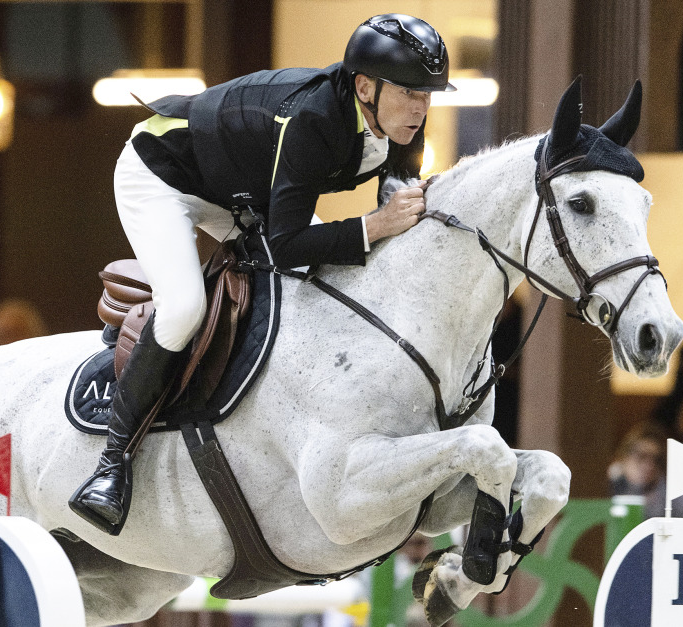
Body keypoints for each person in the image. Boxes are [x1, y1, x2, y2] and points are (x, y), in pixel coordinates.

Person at [70, 14, 456, 531]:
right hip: (163, 172)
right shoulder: (314, 119)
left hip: (243, 192)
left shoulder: (397, 115)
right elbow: (287, 243)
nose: (420, 108)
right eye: (411, 93)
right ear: (365, 85)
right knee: (185, 308)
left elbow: (397, 183)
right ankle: (112, 464)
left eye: (428, 95)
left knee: (326, 287)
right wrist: (375, 225)